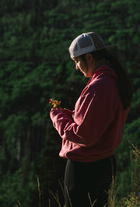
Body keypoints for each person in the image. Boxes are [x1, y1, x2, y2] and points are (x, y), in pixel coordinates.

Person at [50, 32, 132, 207]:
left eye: (77, 62)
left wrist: (57, 117)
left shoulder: (99, 86)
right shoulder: (115, 81)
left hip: (85, 168)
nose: (77, 68)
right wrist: (70, 115)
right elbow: (97, 121)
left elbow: (84, 136)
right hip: (105, 163)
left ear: (88, 57)